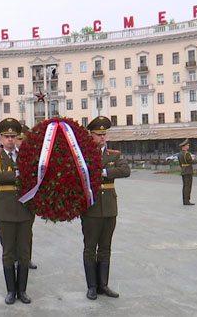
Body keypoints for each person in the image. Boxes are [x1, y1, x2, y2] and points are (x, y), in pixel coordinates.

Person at [0, 118, 34, 305]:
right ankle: (10, 291)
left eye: (13, 137)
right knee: (8, 253)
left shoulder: (27, 157)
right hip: (5, 211)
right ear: (1, 138)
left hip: (25, 210)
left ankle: (22, 290)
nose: (11, 140)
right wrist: (17, 175)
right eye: (7, 137)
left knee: (23, 252)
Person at [81, 116, 130, 300]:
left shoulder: (114, 155)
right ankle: (92, 286)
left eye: (104, 134)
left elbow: (125, 171)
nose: (102, 137)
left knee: (106, 247)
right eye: (98, 134)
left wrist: (103, 172)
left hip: (109, 207)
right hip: (91, 208)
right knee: (90, 247)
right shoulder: (84, 155)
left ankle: (104, 285)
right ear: (91, 136)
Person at [15, 125, 38, 270]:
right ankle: (16, 258)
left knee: (27, 230)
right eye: (19, 139)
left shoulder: (33, 157)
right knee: (13, 232)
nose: (22, 142)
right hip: (13, 200)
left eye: (24, 140)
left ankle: (26, 258)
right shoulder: (10, 156)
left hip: (29, 200)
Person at [178, 138, 197, 205]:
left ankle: (184, 200)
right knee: (188, 186)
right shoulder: (187, 153)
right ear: (184, 146)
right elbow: (190, 161)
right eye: (188, 145)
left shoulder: (180, 153)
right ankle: (187, 200)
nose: (188, 146)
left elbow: (180, 163)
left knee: (185, 186)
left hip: (183, 170)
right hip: (188, 170)